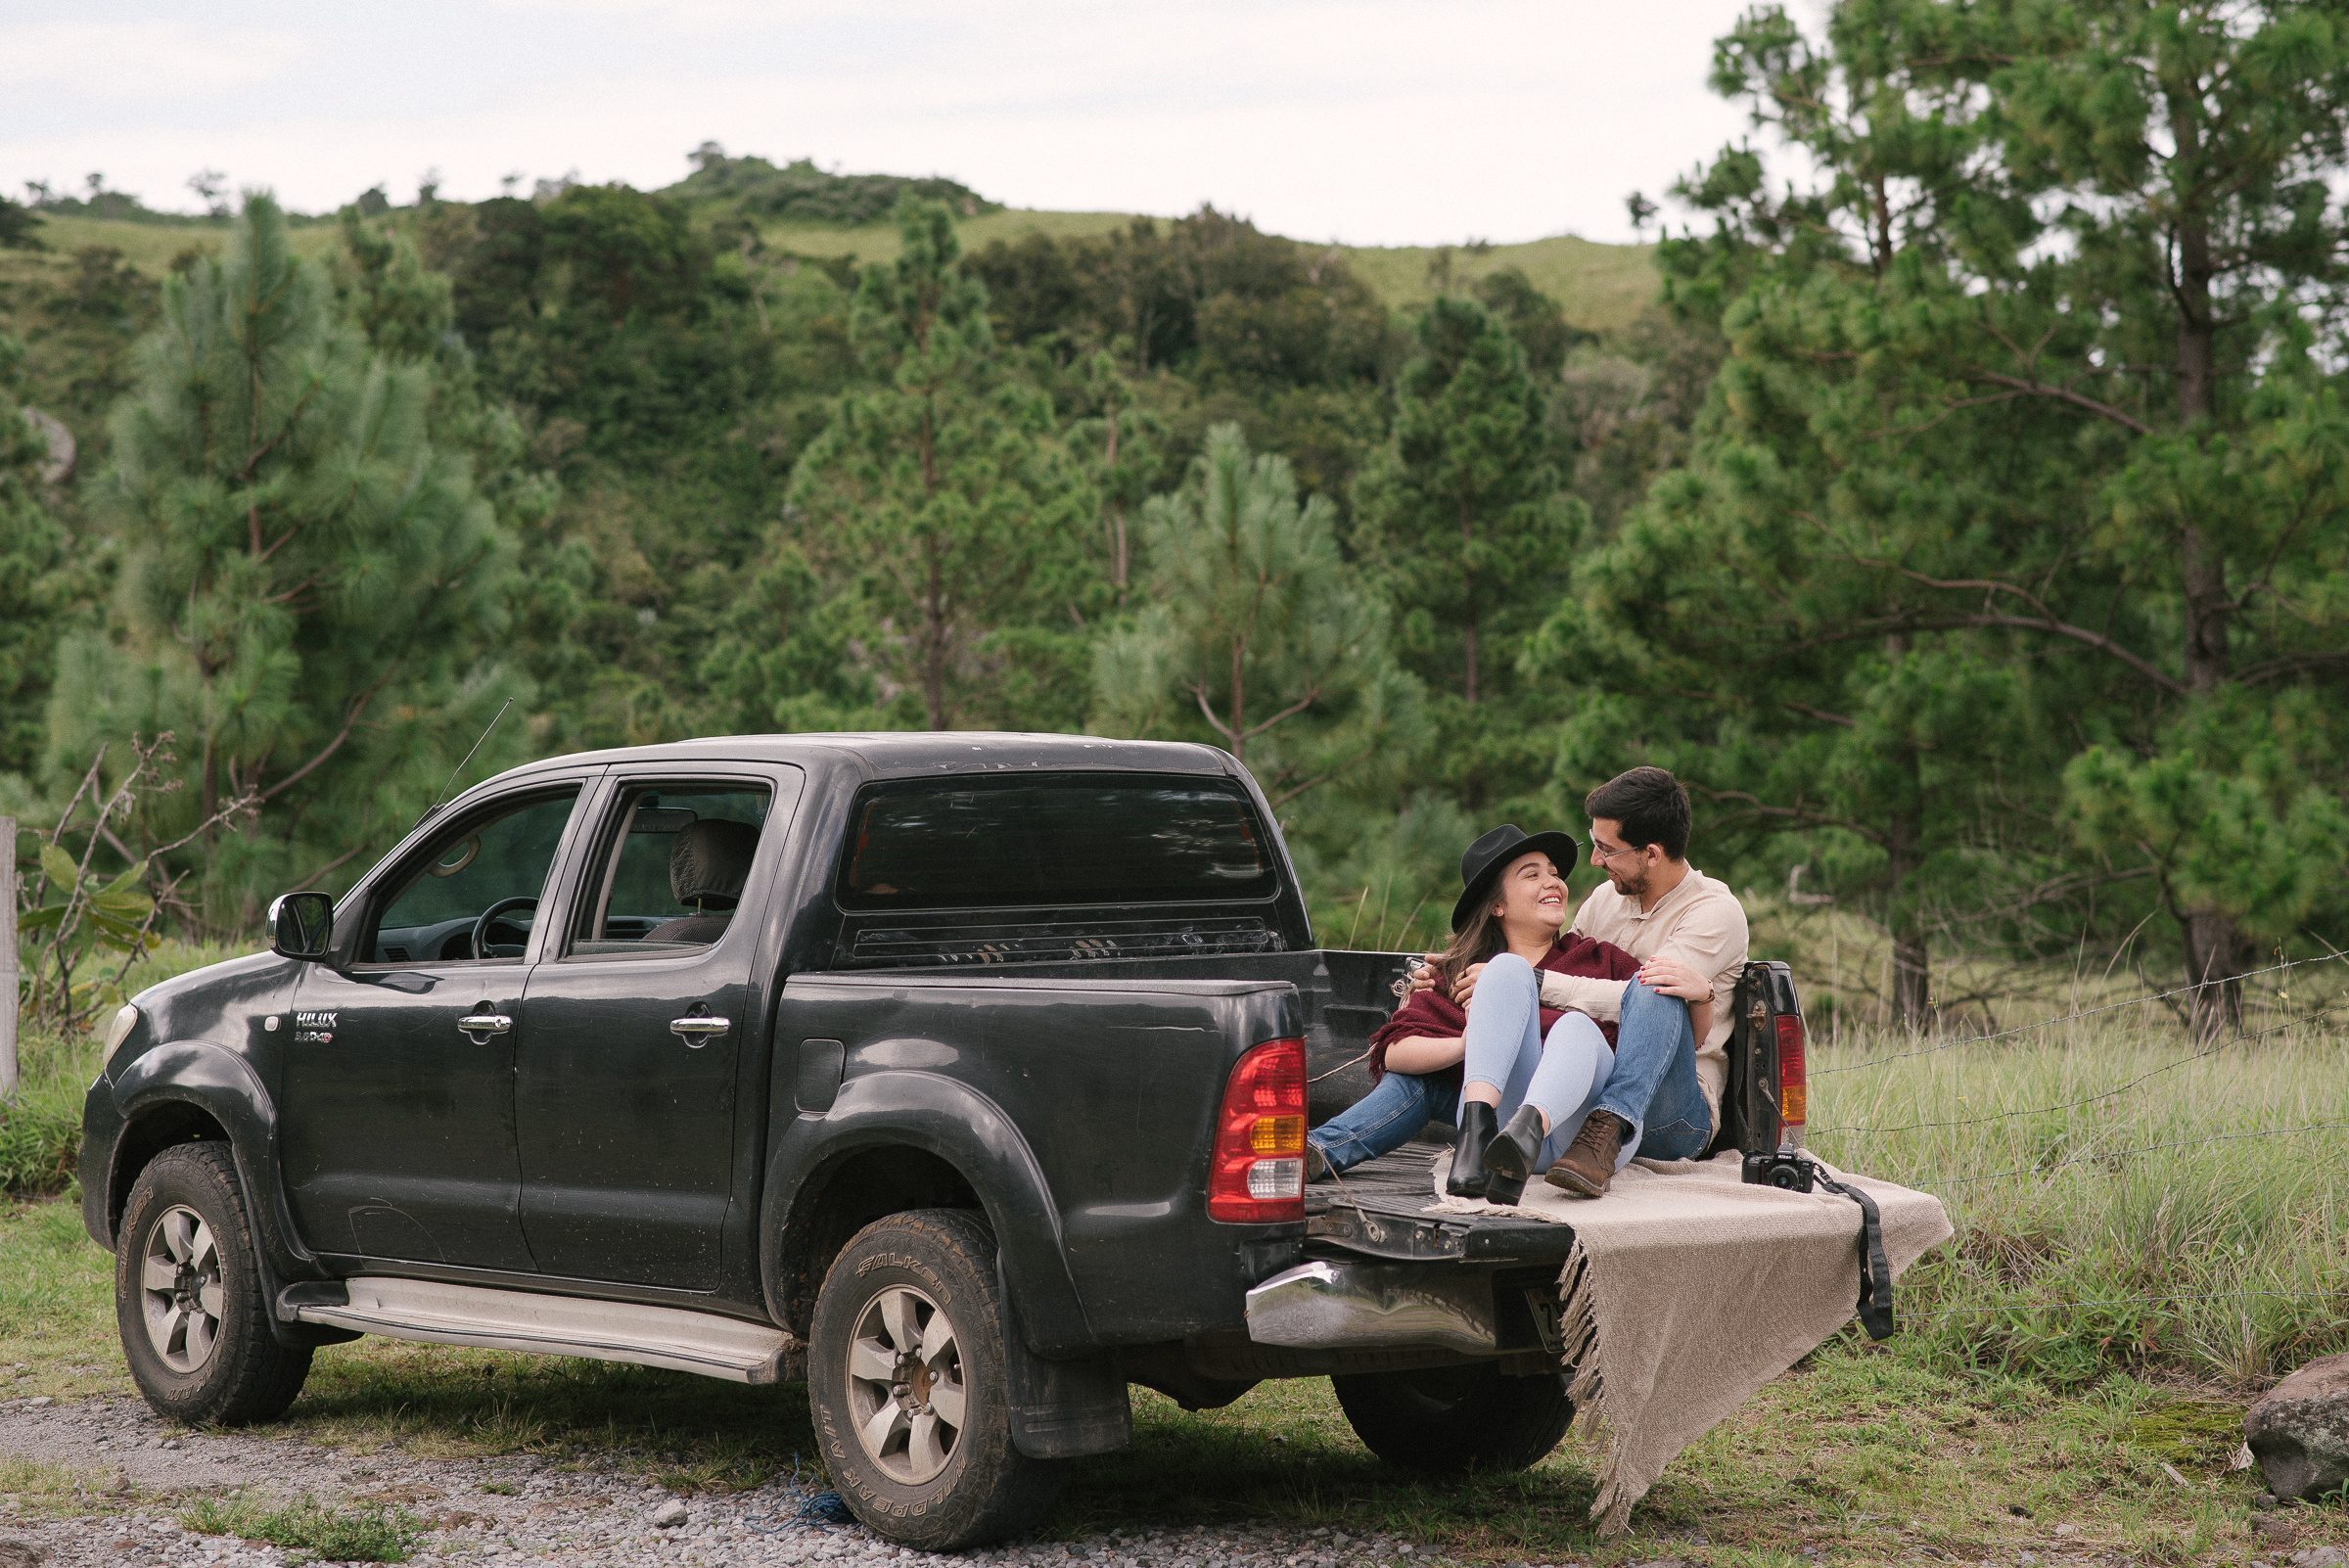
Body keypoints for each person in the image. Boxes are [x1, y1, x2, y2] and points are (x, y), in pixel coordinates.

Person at [1305, 823, 1715, 1205]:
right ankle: (1324, 1149)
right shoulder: (1462, 975)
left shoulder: (1596, 959)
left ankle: (1528, 1128)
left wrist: (1702, 996)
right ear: (1497, 905)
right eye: (1532, 875)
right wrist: (1470, 1042)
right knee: (1498, 979)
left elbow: (1659, 1026)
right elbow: (1394, 1052)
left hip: (1583, 1134)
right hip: (1502, 1128)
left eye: (1554, 873)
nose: (1553, 882)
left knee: (1574, 1026)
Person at [1433, 766, 1750, 1194]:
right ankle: (1497, 1129)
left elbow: (1629, 994)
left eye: (1607, 849)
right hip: (1591, 1082)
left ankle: (1609, 1129)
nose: (1595, 861)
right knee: (1571, 1020)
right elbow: (1560, 961)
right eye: (1594, 842)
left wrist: (1537, 982)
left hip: (1670, 1113)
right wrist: (1454, 971)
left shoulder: (1714, 912)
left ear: (1651, 854)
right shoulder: (1605, 899)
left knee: (1653, 986)